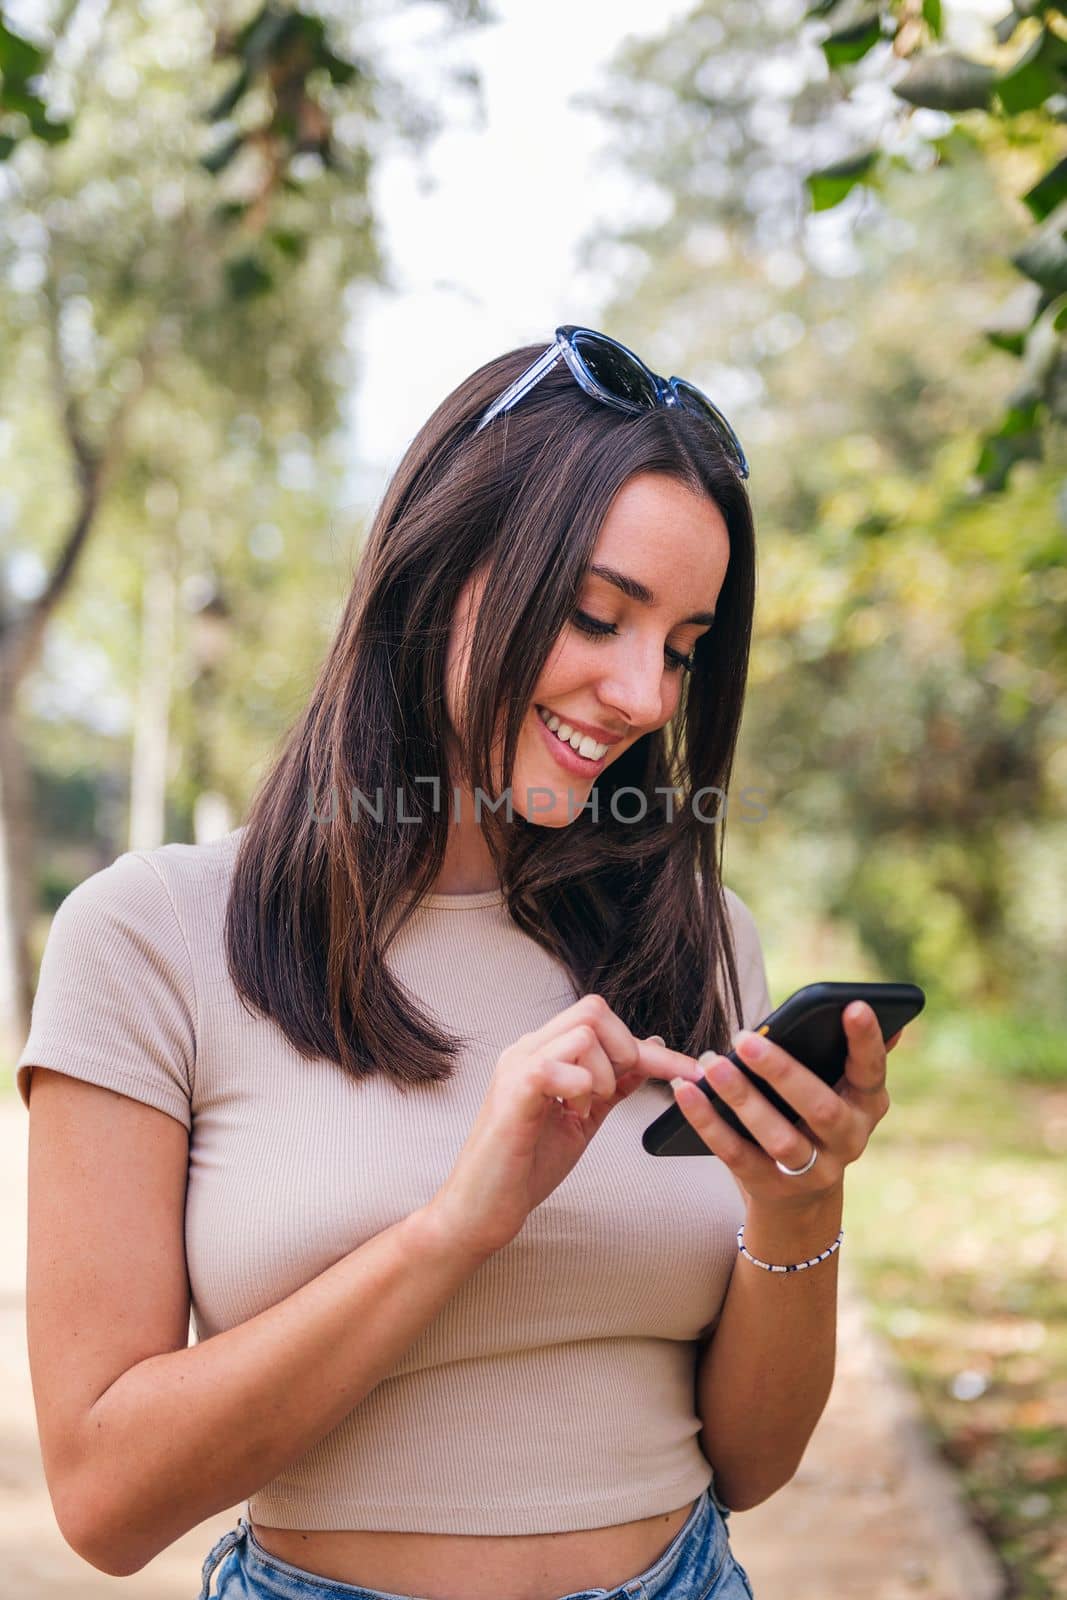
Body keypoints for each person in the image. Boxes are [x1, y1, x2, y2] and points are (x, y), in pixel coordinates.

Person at [19, 326, 897, 1600]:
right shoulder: (149, 938)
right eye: (597, 615)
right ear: (435, 569)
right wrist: (458, 1226)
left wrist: (797, 1203)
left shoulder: (696, 934)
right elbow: (106, 1500)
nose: (645, 694)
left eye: (682, 645)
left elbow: (752, 1463)